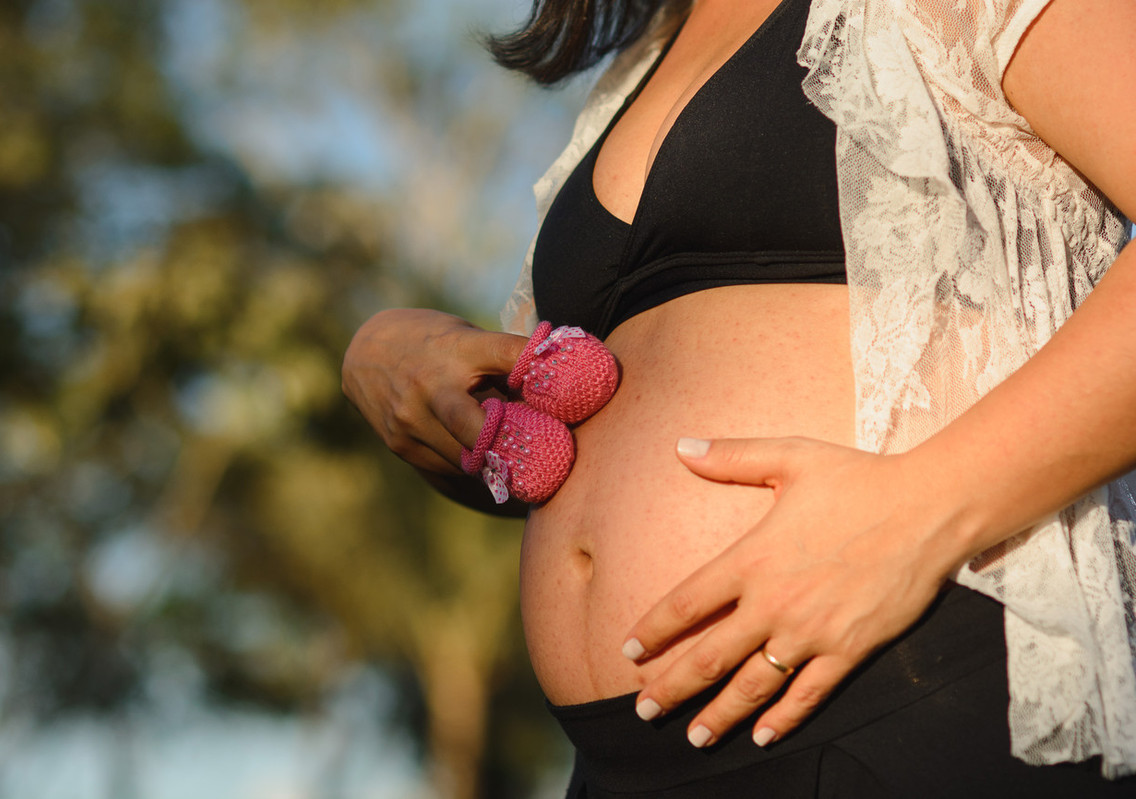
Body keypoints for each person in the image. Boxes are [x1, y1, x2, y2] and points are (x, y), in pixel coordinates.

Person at [342, 0, 1136, 793]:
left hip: (905, 689)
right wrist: (394, 363)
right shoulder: (635, 68)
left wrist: (920, 515)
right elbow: (563, 462)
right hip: (622, 758)